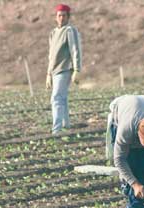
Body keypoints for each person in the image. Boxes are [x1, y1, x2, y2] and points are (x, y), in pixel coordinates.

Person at [46, 4, 82, 134]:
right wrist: (48, 74)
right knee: (62, 98)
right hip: (54, 70)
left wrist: (77, 69)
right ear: (56, 17)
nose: (61, 18)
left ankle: (56, 129)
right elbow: (51, 55)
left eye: (64, 15)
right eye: (59, 15)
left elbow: (75, 50)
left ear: (68, 16)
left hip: (65, 69)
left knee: (56, 98)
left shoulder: (69, 30)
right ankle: (66, 125)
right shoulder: (53, 33)